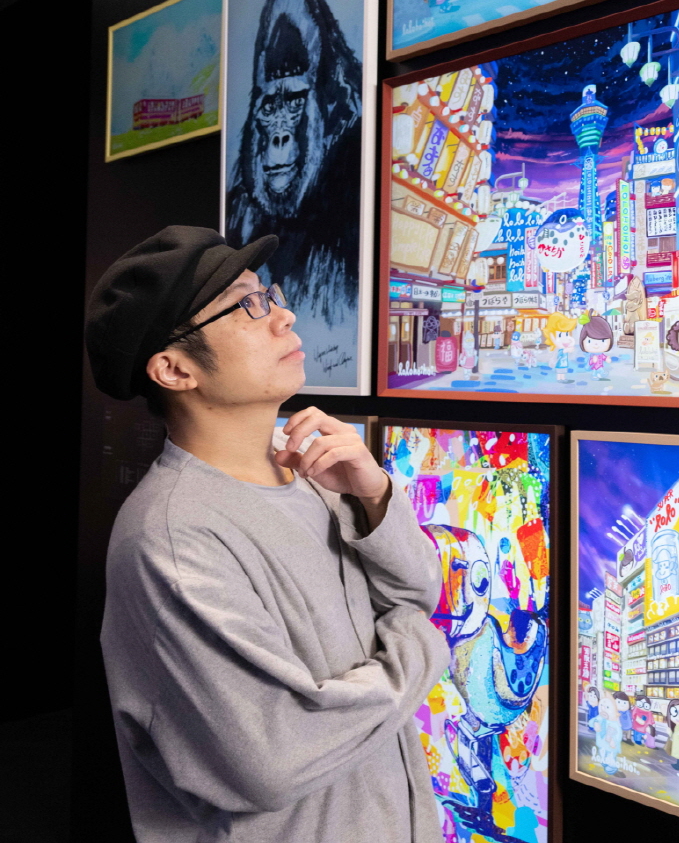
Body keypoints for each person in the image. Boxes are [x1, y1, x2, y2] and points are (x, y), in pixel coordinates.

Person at [84, 227, 449, 842]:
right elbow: (275, 757)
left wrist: (374, 497)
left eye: (271, 293)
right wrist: (423, 644)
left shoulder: (313, 465)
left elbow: (419, 590)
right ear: (174, 369)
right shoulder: (173, 539)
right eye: (247, 305)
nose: (284, 315)